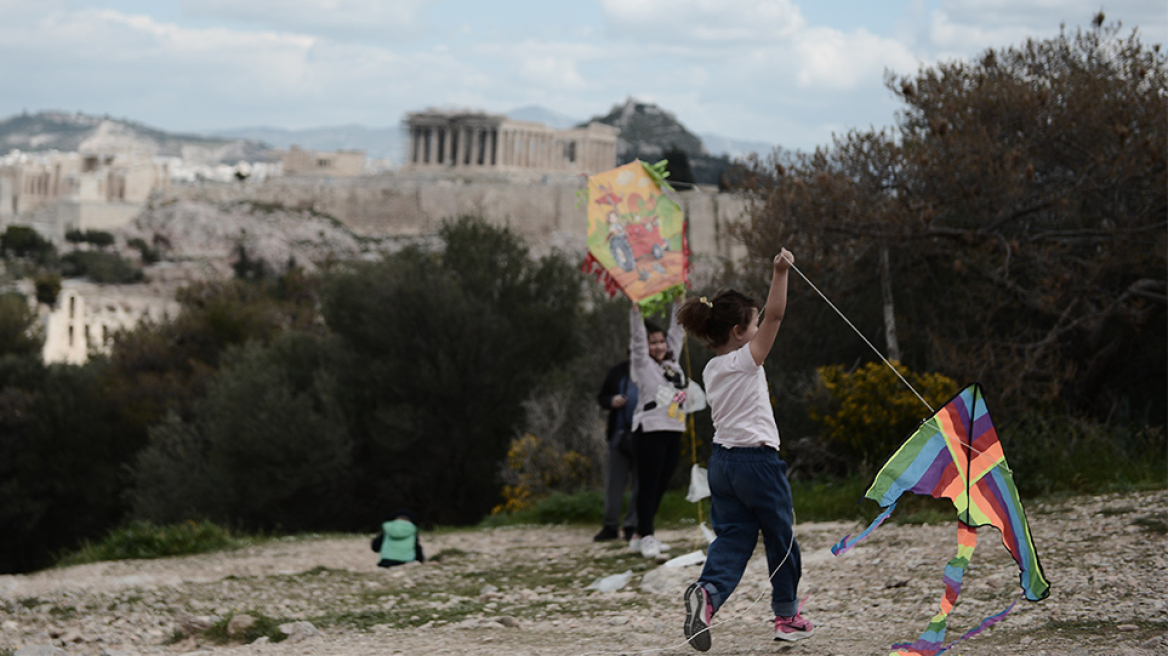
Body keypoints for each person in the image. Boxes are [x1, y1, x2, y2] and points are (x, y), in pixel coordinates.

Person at [674, 249, 813, 650]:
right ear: (738, 331)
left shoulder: (712, 368)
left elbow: (765, 319)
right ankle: (787, 617)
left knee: (733, 537)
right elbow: (776, 315)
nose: (759, 330)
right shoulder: (745, 362)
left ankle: (709, 595)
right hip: (757, 463)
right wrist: (780, 272)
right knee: (780, 538)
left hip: (723, 465)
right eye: (753, 325)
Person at [628, 300, 687, 559]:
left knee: (662, 484)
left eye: (661, 341)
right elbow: (638, 340)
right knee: (649, 485)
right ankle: (647, 535)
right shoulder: (643, 363)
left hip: (674, 428)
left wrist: (679, 302)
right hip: (650, 429)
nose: (659, 346)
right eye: (654, 342)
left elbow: (679, 330)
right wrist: (636, 312)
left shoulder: (672, 361)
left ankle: (640, 535)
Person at [594, 359, 639, 542]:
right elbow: (602, 397)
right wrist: (612, 400)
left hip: (644, 435)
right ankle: (610, 525)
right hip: (619, 434)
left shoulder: (657, 370)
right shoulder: (618, 370)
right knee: (614, 483)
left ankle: (632, 525)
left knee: (640, 484)